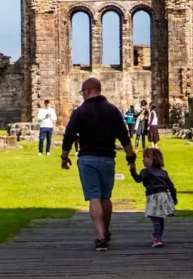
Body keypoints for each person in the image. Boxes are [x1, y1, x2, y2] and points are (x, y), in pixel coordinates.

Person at [61, 77, 136, 250]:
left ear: (88, 91)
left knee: (94, 196)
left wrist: (64, 157)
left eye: (82, 92)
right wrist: (130, 157)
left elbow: (69, 135)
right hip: (108, 159)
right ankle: (106, 230)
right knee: (105, 197)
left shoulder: (80, 111)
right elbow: (124, 136)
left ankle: (101, 236)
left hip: (87, 159)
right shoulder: (112, 110)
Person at [130, 147, 177, 248]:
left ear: (151, 159)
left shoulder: (146, 171)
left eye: (145, 157)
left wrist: (132, 170)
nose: (142, 159)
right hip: (164, 195)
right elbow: (171, 186)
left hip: (153, 196)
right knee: (159, 217)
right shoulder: (163, 172)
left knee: (155, 217)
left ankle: (158, 237)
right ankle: (158, 233)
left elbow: (138, 179)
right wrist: (174, 198)